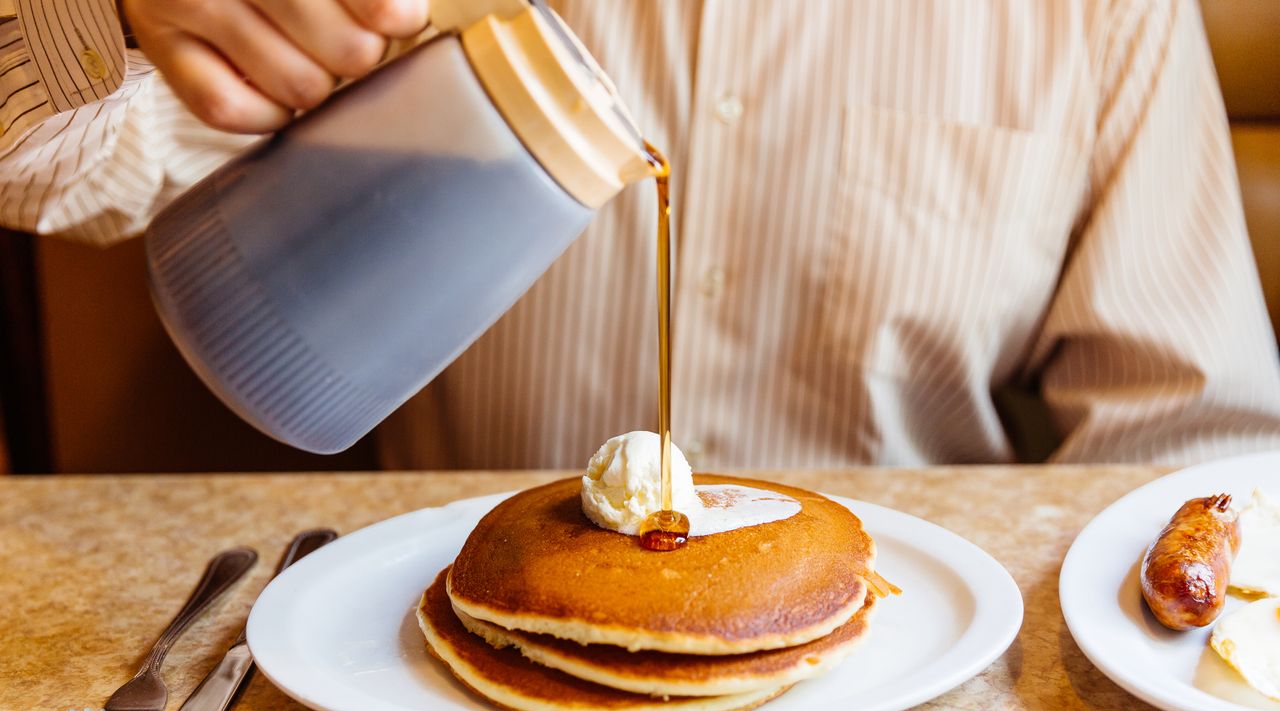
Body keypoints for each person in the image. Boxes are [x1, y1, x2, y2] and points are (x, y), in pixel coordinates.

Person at [3, 0, 1279, 469]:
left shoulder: (1098, 16)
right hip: (450, 690)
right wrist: (107, 11)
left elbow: (1196, 438)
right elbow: (52, 178)